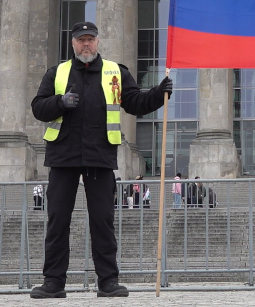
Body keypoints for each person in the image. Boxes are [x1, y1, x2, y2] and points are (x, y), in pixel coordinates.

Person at [29, 21, 173, 299]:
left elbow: (135, 103)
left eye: (90, 39)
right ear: (73, 43)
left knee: (103, 221)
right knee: (57, 221)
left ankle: (108, 281)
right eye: (81, 40)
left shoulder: (115, 72)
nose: (86, 44)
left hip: (100, 156)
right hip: (63, 157)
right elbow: (38, 107)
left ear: (97, 42)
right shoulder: (57, 72)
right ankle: (53, 282)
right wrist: (60, 102)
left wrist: (159, 93)